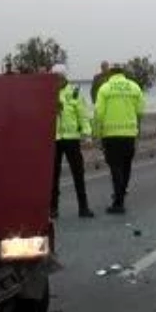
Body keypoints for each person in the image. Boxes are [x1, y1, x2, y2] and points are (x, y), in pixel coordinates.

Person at [93, 64, 145, 214]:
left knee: (115, 167)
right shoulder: (134, 87)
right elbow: (140, 110)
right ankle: (121, 195)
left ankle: (118, 202)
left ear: (110, 75)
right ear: (123, 75)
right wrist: (137, 130)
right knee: (126, 166)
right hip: (129, 134)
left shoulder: (105, 88)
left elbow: (99, 113)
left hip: (111, 134)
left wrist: (97, 134)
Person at [49, 64, 94, 219]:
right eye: (55, 77)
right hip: (54, 139)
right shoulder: (47, 92)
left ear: (65, 77)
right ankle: (52, 208)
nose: (57, 80)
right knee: (53, 176)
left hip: (71, 139)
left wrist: (87, 134)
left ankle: (83, 207)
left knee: (78, 174)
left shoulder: (75, 92)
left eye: (60, 77)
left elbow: (83, 115)